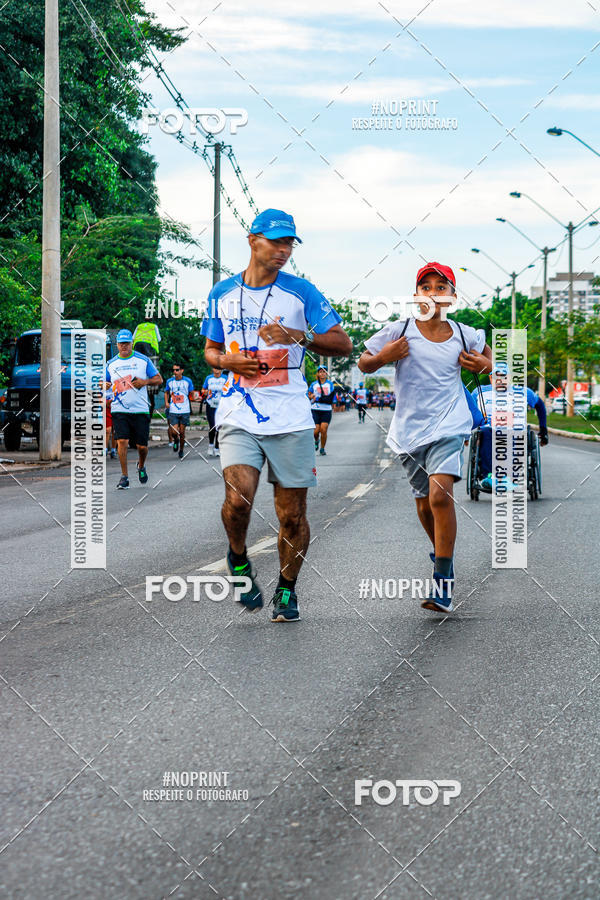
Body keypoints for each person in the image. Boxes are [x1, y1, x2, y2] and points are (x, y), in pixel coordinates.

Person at [201, 208, 352, 622]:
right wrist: (229, 361)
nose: (284, 250)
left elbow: (343, 344)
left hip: (291, 416)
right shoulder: (221, 294)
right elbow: (211, 351)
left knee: (292, 516)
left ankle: (287, 589)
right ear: (253, 240)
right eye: (277, 241)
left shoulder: (302, 292)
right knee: (237, 501)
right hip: (238, 412)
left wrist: (297, 335)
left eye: (290, 243)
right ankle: (238, 559)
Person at [358, 262, 492, 613]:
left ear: (453, 296)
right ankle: (441, 554)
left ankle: (443, 581)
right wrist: (384, 357)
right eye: (426, 287)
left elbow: (488, 357)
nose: (434, 293)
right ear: (417, 295)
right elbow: (364, 361)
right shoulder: (399, 330)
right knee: (423, 503)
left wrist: (484, 366)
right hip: (409, 432)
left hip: (450, 426)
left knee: (439, 495)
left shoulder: (465, 334)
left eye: (441, 287)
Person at [474, 363, 549, 492]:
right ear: (490, 378)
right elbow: (470, 409)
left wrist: (543, 429)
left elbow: (540, 405)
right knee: (485, 432)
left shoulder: (524, 392)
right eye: (496, 377)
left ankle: (510, 476)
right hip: (489, 430)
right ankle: (489, 476)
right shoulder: (480, 391)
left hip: (515, 429)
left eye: (504, 377)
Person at [106, 328, 163, 489]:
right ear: (117, 345)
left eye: (127, 343)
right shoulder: (110, 364)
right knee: (122, 441)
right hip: (119, 409)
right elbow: (103, 383)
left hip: (140, 409)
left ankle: (141, 465)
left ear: (132, 343)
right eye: (121, 343)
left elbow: (159, 379)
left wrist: (144, 382)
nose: (124, 346)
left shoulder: (143, 360)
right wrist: (104, 387)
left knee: (142, 447)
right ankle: (124, 476)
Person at [165, 364, 194, 459]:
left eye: (177, 370)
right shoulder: (170, 381)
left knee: (182, 432)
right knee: (174, 431)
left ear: (182, 370)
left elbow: (191, 393)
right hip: (173, 409)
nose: (175, 372)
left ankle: (181, 450)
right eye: (173, 370)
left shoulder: (187, 381)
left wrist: (194, 398)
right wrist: (166, 402)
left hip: (185, 409)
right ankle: (175, 440)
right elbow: (166, 392)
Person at [308, 365, 336, 455]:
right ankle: (316, 440)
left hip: (326, 410)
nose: (322, 373)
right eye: (320, 372)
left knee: (323, 430)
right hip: (315, 409)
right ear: (318, 374)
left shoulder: (330, 384)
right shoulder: (314, 384)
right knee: (316, 431)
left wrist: (334, 406)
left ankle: (322, 448)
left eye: (324, 372)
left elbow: (332, 396)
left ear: (326, 373)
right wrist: (311, 396)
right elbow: (308, 394)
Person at [202, 366, 228, 456]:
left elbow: (230, 390)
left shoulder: (225, 378)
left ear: (221, 369)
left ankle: (217, 448)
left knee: (219, 427)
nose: (216, 370)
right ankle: (210, 445)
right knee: (212, 426)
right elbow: (203, 389)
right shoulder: (208, 378)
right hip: (211, 405)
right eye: (215, 368)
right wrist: (205, 392)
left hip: (221, 406)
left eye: (218, 368)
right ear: (212, 369)